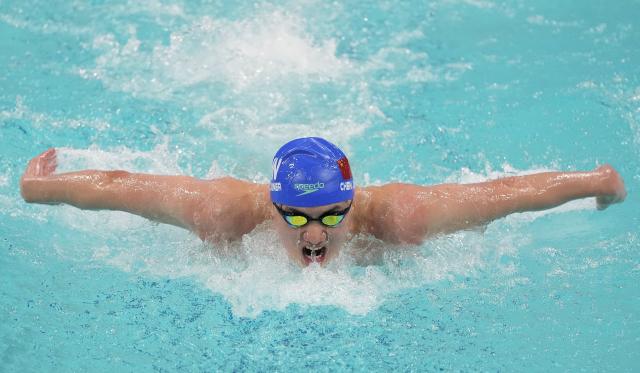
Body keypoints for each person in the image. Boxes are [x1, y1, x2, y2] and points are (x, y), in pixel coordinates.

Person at [20, 137, 627, 267]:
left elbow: (504, 195)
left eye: (332, 215)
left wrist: (599, 182)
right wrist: (37, 188)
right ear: (271, 205)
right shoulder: (222, 212)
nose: (316, 233)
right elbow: (123, 188)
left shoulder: (399, 217)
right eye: (300, 218)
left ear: (353, 201)